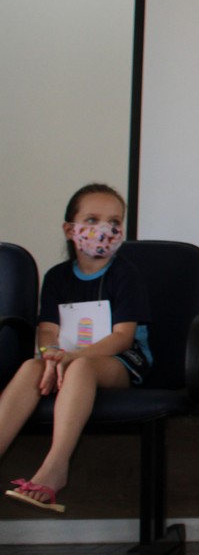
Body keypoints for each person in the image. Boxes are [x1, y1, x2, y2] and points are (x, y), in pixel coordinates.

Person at [0, 183, 151, 514]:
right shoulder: (57, 277)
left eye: (115, 221)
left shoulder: (125, 274)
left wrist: (71, 358)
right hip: (67, 358)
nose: (105, 229)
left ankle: (55, 467)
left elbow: (122, 338)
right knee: (30, 367)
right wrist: (50, 355)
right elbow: (47, 331)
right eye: (93, 220)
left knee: (81, 368)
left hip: (120, 361)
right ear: (70, 230)